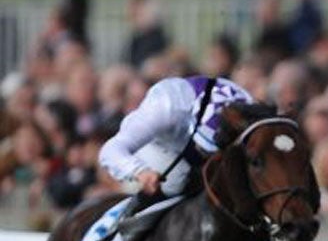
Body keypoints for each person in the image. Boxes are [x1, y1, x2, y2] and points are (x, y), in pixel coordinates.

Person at [97, 75, 254, 217]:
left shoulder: (249, 109)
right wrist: (140, 171)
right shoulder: (163, 110)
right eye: (205, 150)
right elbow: (110, 150)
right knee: (176, 179)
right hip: (161, 145)